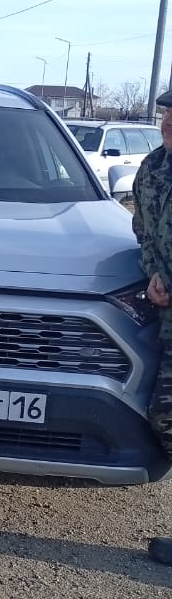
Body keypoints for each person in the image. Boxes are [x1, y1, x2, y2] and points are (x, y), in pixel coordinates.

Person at [128, 87, 172, 568]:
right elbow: (143, 228)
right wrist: (154, 273)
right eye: (167, 112)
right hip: (166, 315)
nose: (169, 120)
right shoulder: (153, 166)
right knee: (165, 415)